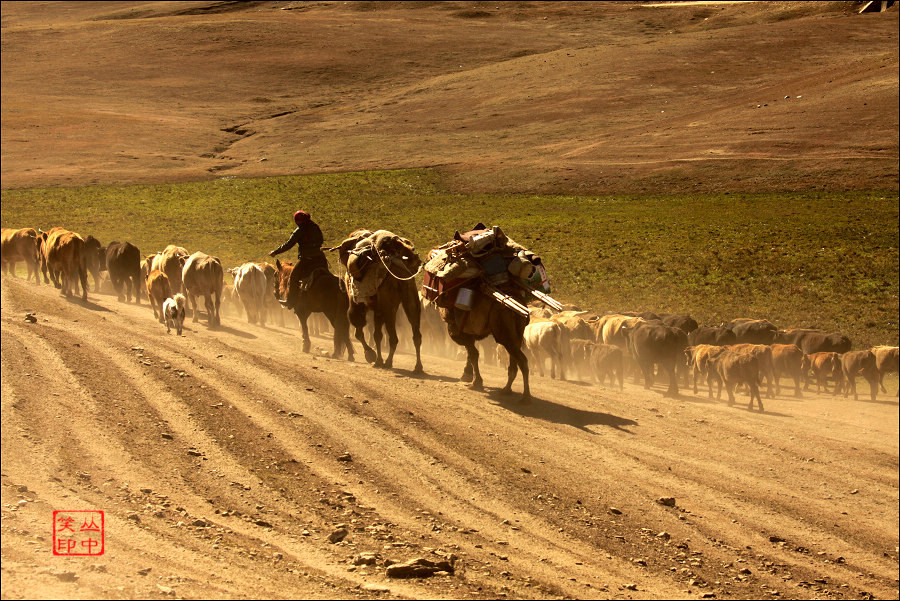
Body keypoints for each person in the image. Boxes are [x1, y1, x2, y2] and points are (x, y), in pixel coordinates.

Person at [269, 210, 328, 310]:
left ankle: (290, 301)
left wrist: (276, 252)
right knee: (327, 274)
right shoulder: (315, 227)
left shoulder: (300, 230)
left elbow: (289, 244)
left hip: (307, 259)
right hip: (320, 258)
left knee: (293, 277)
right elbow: (321, 240)